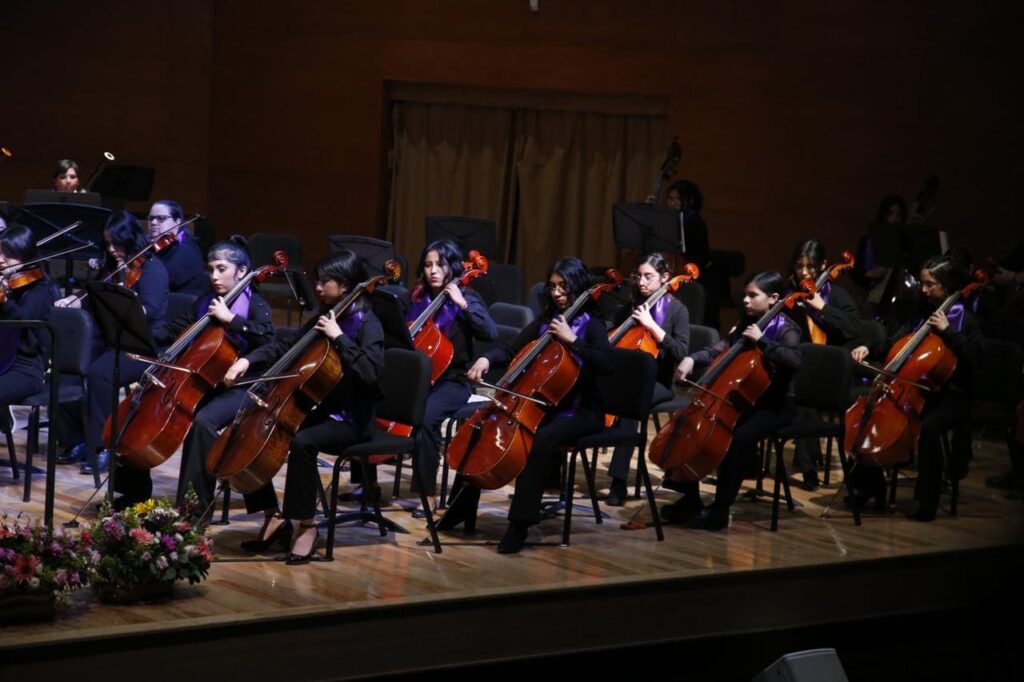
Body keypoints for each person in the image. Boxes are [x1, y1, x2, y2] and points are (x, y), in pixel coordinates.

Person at [440, 257, 614, 554]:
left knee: (542, 439)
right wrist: (487, 359)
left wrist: (573, 341)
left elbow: (609, 365)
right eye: (554, 287)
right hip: (544, 405)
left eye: (564, 287)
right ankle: (459, 508)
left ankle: (519, 525)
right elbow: (511, 348)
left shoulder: (593, 326)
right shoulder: (546, 322)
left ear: (579, 288)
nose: (557, 293)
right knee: (483, 423)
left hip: (583, 411)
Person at [226, 249, 384, 564]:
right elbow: (288, 346)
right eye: (318, 280)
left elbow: (371, 374)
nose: (318, 286)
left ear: (345, 284)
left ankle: (307, 526)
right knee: (256, 435)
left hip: (355, 420)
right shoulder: (325, 317)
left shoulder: (368, 324)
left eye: (325, 281)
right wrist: (248, 360)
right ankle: (273, 515)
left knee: (303, 442)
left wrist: (340, 338)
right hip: (322, 411)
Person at [111, 236, 276, 511]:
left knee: (203, 422)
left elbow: (270, 342)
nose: (214, 276)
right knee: (140, 408)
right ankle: (134, 492)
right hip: (207, 382)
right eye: (211, 269)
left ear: (242, 271)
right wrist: (137, 331)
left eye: (222, 269)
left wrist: (233, 323)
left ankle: (193, 508)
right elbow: (175, 329)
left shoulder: (255, 305)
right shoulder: (206, 302)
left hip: (245, 385)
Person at [661, 271, 802, 530]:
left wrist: (764, 342)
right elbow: (719, 349)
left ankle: (720, 509)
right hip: (743, 400)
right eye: (744, 296)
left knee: (738, 438)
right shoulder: (744, 325)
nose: (745, 301)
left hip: (777, 405)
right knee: (694, 427)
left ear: (773, 298)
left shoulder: (786, 329)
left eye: (752, 295)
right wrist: (692, 358)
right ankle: (690, 498)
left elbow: (794, 360)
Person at [848, 255, 983, 521]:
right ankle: (870, 485)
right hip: (916, 390)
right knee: (869, 414)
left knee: (930, 429)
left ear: (948, 285)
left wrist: (948, 332)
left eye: (930, 284)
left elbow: (976, 357)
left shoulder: (965, 320)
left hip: (952, 396)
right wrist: (871, 348)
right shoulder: (922, 313)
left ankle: (927, 500)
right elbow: (898, 341)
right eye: (923, 283)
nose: (923, 289)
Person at [54, 210, 169, 475]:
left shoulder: (152, 269)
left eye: (116, 243)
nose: (111, 249)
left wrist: (124, 300)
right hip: (109, 338)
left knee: (100, 374)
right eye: (107, 243)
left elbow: (148, 311)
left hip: (142, 344)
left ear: (130, 239)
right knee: (65, 367)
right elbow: (94, 298)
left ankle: (103, 446)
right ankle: (76, 439)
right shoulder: (112, 266)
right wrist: (74, 300)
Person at [405, 240, 496, 515]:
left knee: (427, 417)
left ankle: (427, 495)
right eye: (428, 265)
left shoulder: (466, 296)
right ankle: (367, 485)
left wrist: (462, 304)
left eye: (440, 265)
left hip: (453, 380)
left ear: (452, 267)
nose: (433, 271)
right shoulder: (417, 298)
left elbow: (490, 333)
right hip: (419, 378)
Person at [605, 252, 689, 506]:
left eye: (648, 277)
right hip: (626, 378)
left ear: (665, 278)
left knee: (629, 406)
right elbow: (608, 332)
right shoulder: (631, 305)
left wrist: (653, 326)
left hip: (660, 382)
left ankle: (618, 483)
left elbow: (681, 352)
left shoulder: (677, 310)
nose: (641, 282)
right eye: (638, 276)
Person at [783, 239, 861, 490]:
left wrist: (823, 308)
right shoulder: (789, 295)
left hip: (829, 375)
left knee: (803, 396)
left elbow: (853, 329)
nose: (804, 273)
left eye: (810, 267)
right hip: (796, 367)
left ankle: (808, 468)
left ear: (824, 266)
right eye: (799, 267)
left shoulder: (837, 296)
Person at [0, 224, 56, 432]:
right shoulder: (7, 284)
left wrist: (4, 299)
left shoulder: (40, 291)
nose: (1, 260)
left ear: (25, 256)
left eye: (8, 255)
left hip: (26, 369)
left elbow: (21, 321)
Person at [145, 200, 211, 297]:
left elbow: (157, 281)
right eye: (151, 218)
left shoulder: (187, 250)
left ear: (177, 222)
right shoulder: (152, 246)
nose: (153, 222)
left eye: (161, 218)